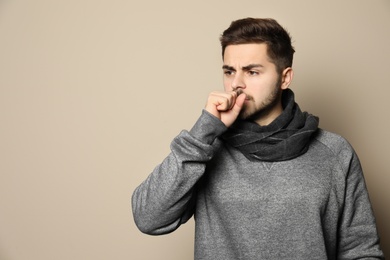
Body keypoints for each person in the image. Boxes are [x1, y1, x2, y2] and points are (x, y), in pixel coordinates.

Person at [132, 18, 384, 259]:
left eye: (252, 72)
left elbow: (361, 250)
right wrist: (203, 131)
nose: (236, 84)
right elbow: (148, 218)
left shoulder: (333, 152)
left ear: (285, 78)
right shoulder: (205, 148)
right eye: (229, 71)